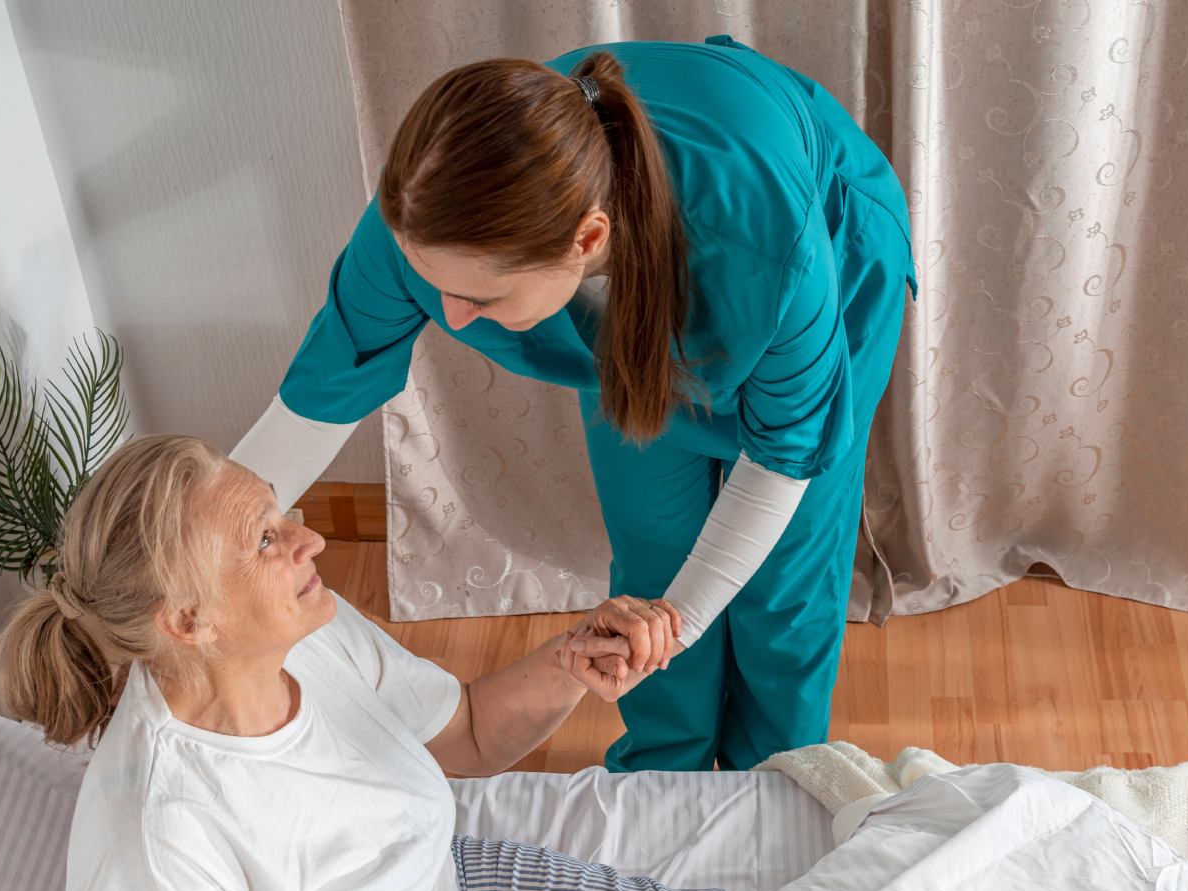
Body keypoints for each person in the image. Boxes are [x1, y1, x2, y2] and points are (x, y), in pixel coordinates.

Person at [0, 435, 757, 891]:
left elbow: (469, 732)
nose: (310, 540)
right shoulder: (154, 836)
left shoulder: (302, 631)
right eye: (266, 540)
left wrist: (573, 658)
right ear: (189, 621)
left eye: (278, 514)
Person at [230, 35, 917, 772]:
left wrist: (675, 627)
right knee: (654, 542)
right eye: (437, 285)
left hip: (826, 264)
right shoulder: (425, 215)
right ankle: (664, 770)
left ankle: (772, 783)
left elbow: (782, 460)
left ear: (586, 239)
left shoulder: (768, 244)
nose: (448, 316)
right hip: (655, 304)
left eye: (479, 296)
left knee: (784, 582)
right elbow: (321, 393)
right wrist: (188, 555)